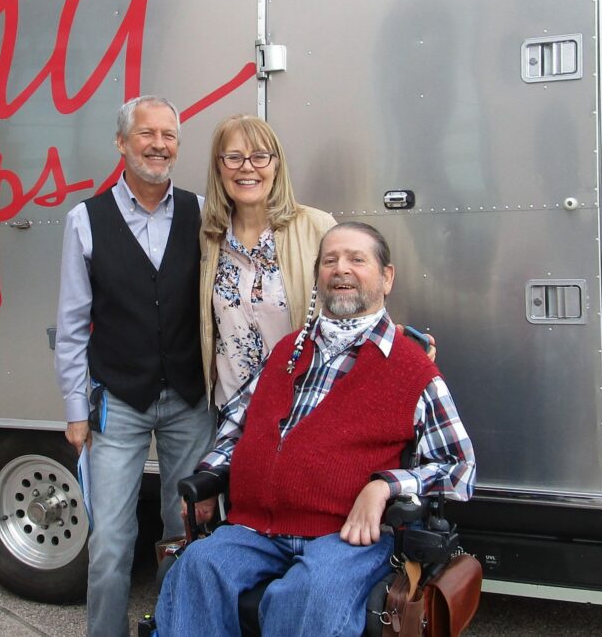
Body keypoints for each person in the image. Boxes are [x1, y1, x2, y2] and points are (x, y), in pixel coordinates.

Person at [156, 221, 476, 637]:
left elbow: (459, 467)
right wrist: (210, 475)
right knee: (198, 569)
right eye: (330, 260)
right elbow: (237, 426)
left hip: (343, 536)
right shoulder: (287, 350)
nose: (341, 269)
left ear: (387, 277)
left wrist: (386, 486)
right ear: (318, 276)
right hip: (256, 527)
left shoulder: (411, 368)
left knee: (311, 593)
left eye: (356, 259)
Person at [54, 96, 216, 636]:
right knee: (110, 542)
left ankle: (173, 627)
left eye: (169, 135)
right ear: (122, 143)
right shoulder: (87, 219)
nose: (159, 145)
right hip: (118, 402)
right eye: (147, 134)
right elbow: (73, 325)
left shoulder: (202, 213)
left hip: (189, 402)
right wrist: (77, 411)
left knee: (187, 531)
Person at [199, 115, 336, 407]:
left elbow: (354, 308)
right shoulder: (209, 238)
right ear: (219, 168)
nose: (247, 167)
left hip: (301, 409)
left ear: (276, 164)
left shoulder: (317, 228)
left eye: (260, 156)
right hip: (234, 417)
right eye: (233, 157)